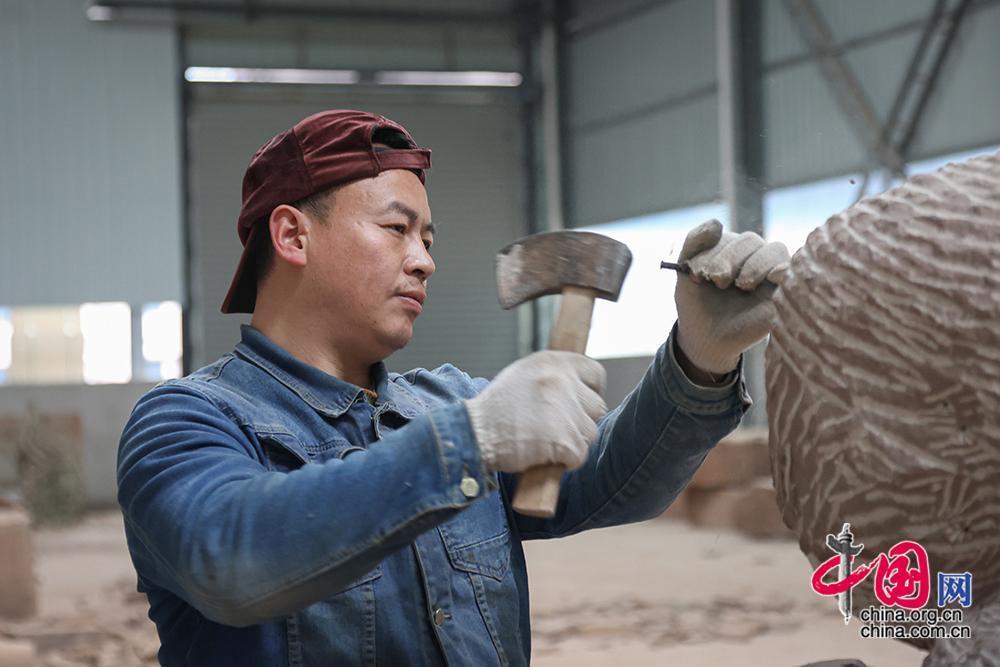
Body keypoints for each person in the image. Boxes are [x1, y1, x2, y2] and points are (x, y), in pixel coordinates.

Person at [117, 109, 789, 666]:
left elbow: (613, 479)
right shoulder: (188, 420)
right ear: (293, 234)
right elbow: (231, 562)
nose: (425, 261)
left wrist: (701, 357)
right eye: (396, 229)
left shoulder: (447, 402)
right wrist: (471, 441)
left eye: (428, 238)